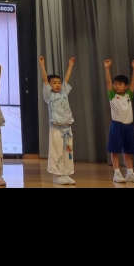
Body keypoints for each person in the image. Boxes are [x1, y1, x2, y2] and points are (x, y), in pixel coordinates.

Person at [104, 59, 134, 183]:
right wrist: (107, 68)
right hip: (117, 126)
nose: (117, 86)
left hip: (129, 127)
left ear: (125, 86)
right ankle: (117, 173)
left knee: (128, 151)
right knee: (115, 150)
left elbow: (133, 83)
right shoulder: (112, 95)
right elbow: (108, 81)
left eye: (120, 84)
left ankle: (130, 173)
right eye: (115, 83)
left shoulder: (128, 95)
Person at [40, 56, 76, 185]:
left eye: (59, 83)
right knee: (56, 152)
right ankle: (57, 175)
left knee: (68, 151)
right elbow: (45, 79)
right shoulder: (49, 95)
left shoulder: (63, 93)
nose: (58, 84)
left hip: (67, 127)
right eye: (54, 83)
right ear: (49, 86)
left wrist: (70, 66)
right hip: (56, 128)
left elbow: (66, 79)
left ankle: (66, 173)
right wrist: (42, 65)